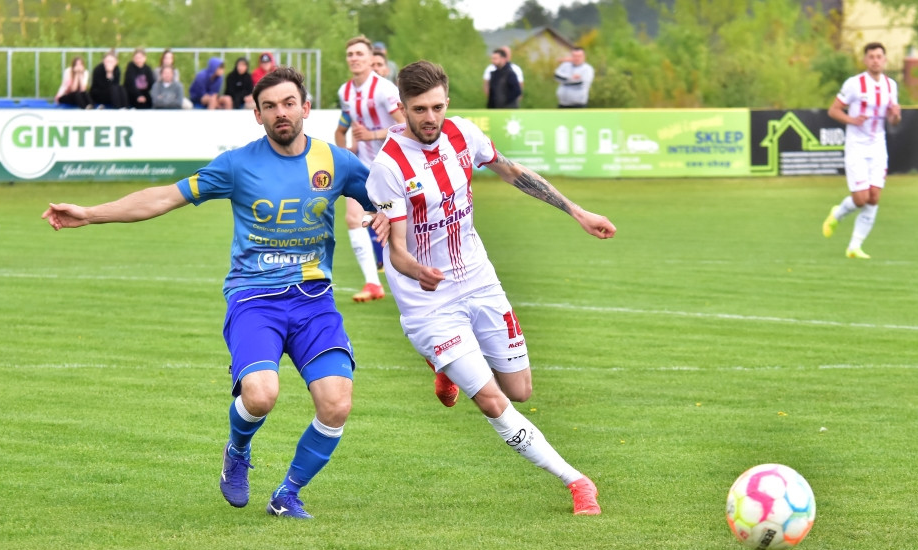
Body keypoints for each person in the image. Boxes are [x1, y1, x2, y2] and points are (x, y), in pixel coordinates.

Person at [43, 67, 385, 520]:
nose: (280, 113)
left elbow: (389, 198)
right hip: (254, 298)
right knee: (261, 395)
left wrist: (390, 217)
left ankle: (287, 493)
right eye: (269, 107)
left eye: (288, 103)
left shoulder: (337, 161)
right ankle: (237, 451)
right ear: (257, 115)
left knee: (337, 404)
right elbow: (164, 197)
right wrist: (90, 213)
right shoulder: (237, 164)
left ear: (305, 107)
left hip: (313, 299)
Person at [365, 61, 617, 516]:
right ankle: (577, 482)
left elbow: (510, 170)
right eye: (419, 109)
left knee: (519, 389)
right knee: (492, 400)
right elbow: (396, 252)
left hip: (479, 279)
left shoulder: (464, 134)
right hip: (429, 301)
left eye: (437, 107)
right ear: (400, 109)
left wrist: (577, 211)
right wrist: (416, 270)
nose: (430, 118)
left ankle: (445, 367)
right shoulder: (388, 167)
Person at [335, 35, 405, 303]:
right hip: (363, 166)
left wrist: (372, 134)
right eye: (350, 54)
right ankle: (373, 283)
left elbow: (406, 125)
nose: (354, 58)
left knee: (400, 224)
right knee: (353, 218)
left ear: (369, 58)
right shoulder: (345, 92)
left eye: (359, 54)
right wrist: (346, 152)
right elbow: (342, 128)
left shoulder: (385, 89)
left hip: (392, 166)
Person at [821, 42, 901, 259]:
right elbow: (833, 110)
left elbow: (893, 121)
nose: (876, 60)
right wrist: (853, 120)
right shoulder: (854, 84)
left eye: (879, 56)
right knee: (860, 199)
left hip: (878, 146)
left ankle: (854, 247)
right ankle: (837, 213)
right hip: (856, 146)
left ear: (885, 60)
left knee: (874, 198)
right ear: (865, 60)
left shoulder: (891, 86)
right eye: (871, 56)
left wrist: (895, 114)